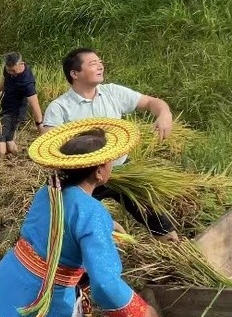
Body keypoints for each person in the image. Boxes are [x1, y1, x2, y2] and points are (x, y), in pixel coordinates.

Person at [0, 119, 159, 317]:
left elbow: (62, 221)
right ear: (101, 171)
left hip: (14, 277)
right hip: (45, 299)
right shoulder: (92, 214)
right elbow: (104, 282)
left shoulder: (49, 191)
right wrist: (141, 312)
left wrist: (105, 224)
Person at [42, 48, 179, 241]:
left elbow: (151, 102)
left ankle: (174, 248)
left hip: (119, 170)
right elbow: (50, 148)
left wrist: (165, 114)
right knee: (68, 229)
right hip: (81, 179)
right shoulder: (59, 108)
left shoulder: (112, 93)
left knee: (155, 217)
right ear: (74, 73)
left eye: (100, 62)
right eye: (92, 63)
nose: (100, 66)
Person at [0, 52, 44, 158]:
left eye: (13, 70)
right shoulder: (8, 70)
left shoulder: (27, 83)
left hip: (15, 112)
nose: (11, 73)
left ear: (21, 64)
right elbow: (4, 81)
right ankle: (16, 156)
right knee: (8, 137)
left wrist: (39, 125)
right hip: (5, 106)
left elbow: (35, 105)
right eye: (8, 70)